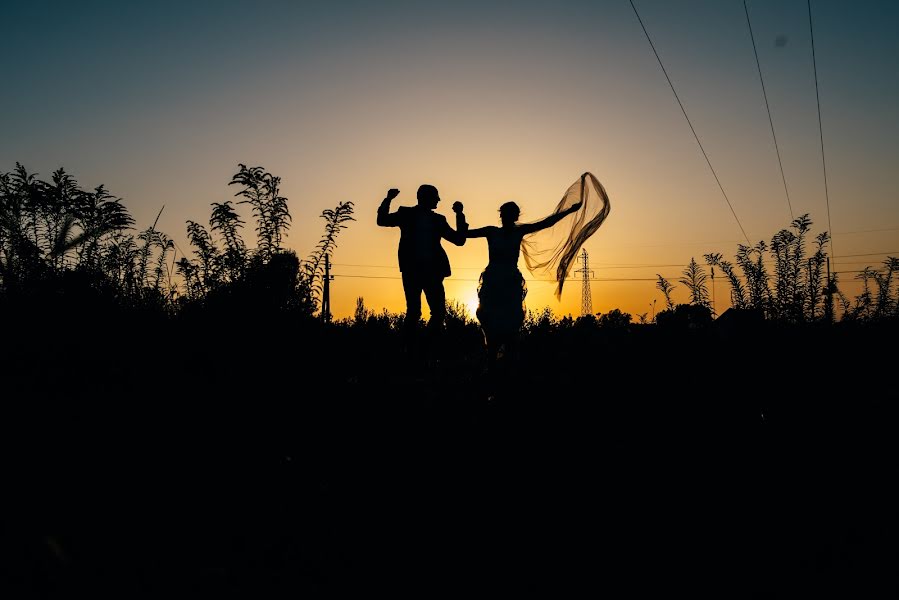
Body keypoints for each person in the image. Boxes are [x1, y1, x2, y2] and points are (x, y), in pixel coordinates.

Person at [465, 200, 581, 377]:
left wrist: (568, 211)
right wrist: (460, 215)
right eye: (507, 213)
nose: (509, 217)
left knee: (510, 327)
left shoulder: (518, 231)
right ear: (502, 215)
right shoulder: (491, 231)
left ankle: (506, 370)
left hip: (509, 283)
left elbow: (547, 223)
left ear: (514, 216)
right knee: (492, 323)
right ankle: (493, 367)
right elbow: (463, 234)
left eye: (512, 214)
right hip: (495, 282)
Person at [377, 184, 468, 361]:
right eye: (436, 197)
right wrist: (387, 199)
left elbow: (459, 240)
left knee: (437, 312)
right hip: (413, 270)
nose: (439, 200)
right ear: (425, 197)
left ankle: (422, 349)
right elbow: (382, 220)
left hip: (433, 272)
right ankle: (411, 352)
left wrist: (459, 215)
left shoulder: (439, 220)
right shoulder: (406, 213)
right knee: (414, 311)